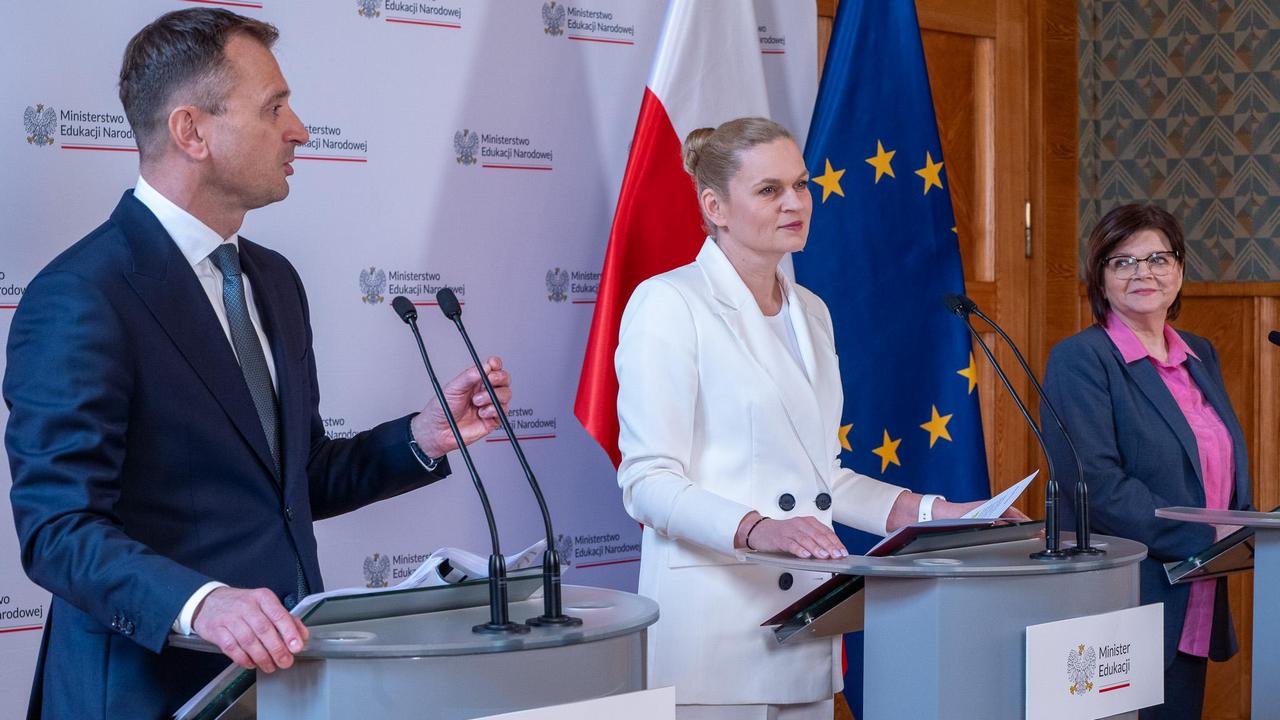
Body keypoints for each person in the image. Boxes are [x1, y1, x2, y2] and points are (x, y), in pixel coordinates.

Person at [3, 9, 511, 719]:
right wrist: (202, 603)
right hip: (142, 696)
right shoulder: (82, 296)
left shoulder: (273, 280)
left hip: (284, 688)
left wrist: (421, 438)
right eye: (274, 107)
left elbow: (292, 481)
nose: (299, 130)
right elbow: (59, 531)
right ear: (192, 132)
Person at [614, 117, 1021, 720]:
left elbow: (822, 478)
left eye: (801, 185)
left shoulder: (811, 310)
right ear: (715, 207)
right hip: (714, 637)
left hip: (804, 627)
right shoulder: (669, 303)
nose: (796, 203)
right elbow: (646, 481)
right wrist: (756, 527)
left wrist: (940, 515)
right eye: (770, 189)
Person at [1041, 203, 1252, 720]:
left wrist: (1245, 532)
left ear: (1179, 268)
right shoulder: (1081, 359)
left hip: (1196, 590)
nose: (1144, 273)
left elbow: (1215, 465)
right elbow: (1096, 485)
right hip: (1126, 594)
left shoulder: (1199, 354)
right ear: (1101, 277)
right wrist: (1209, 539)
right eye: (1123, 261)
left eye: (1158, 258)